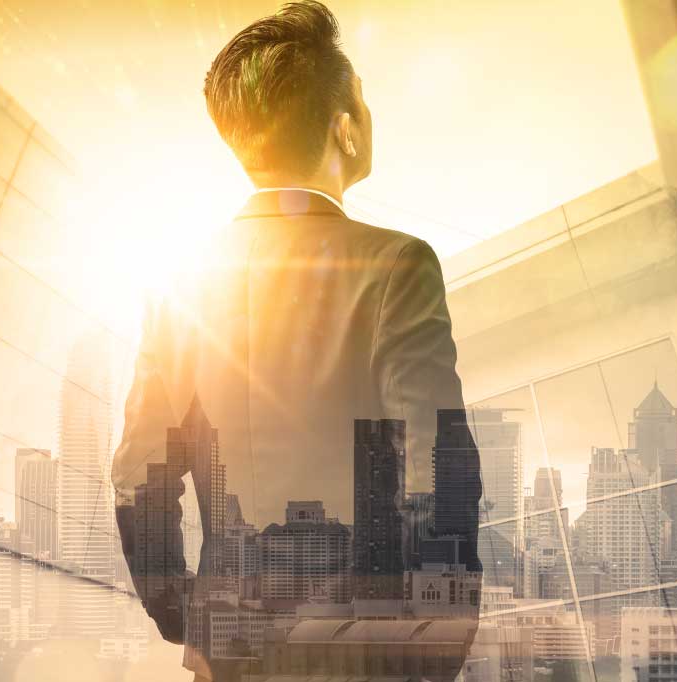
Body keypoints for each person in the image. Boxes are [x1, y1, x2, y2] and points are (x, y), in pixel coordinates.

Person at [111, 2, 481, 679]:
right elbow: (438, 466)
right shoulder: (396, 264)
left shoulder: (177, 285)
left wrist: (187, 615)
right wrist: (435, 647)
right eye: (361, 99)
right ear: (344, 128)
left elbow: (140, 475)